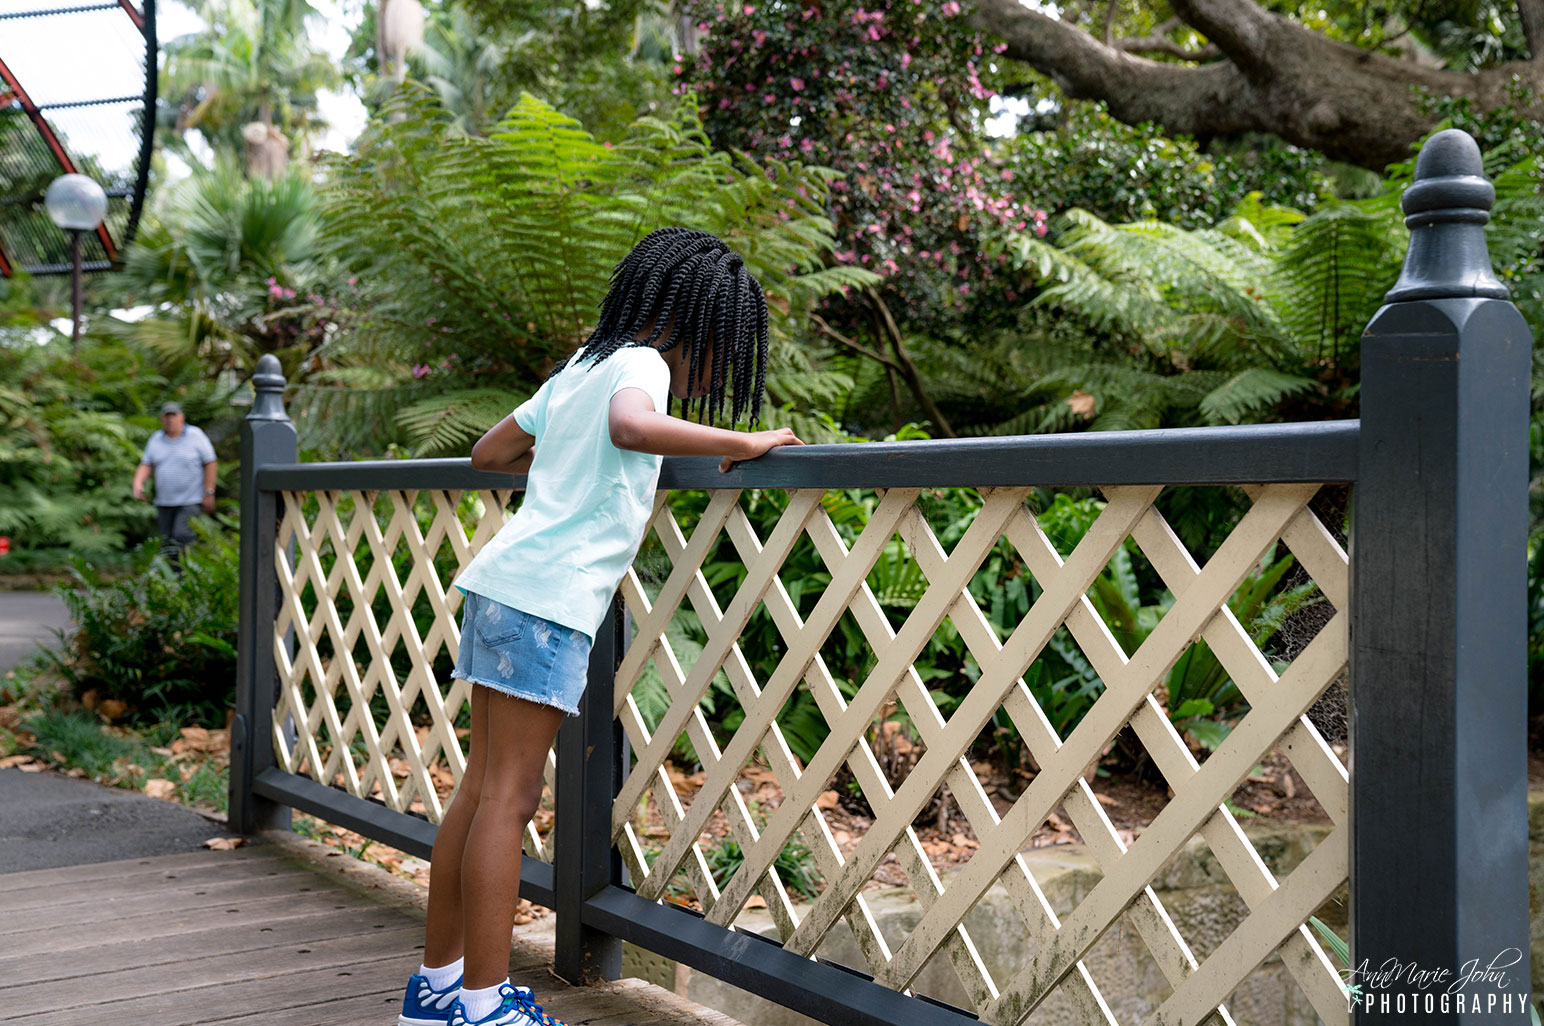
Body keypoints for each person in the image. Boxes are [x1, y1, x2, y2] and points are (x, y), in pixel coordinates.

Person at [395, 228, 803, 1026]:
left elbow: (489, 452)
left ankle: (436, 990)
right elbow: (632, 428)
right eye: (720, 354)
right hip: (549, 600)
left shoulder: (581, 364)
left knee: (478, 790)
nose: (713, 376)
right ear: (697, 324)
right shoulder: (642, 365)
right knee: (510, 800)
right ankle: (484, 1005)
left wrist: (564, 465)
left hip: (500, 584)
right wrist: (742, 440)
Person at [132, 402, 217, 559]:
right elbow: (146, 464)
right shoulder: (156, 439)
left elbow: (210, 462)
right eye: (167, 416)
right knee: (167, 541)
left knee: (183, 535)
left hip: (190, 500)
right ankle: (174, 572)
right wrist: (138, 483)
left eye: (174, 415)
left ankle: (186, 570)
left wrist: (209, 491)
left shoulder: (196, 435)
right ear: (162, 419)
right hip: (164, 501)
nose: (170, 420)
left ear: (182, 417)